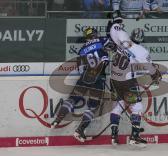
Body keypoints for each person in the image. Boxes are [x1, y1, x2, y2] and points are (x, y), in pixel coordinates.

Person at [107, 11, 161, 146]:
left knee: (117, 106)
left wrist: (117, 21)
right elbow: (150, 67)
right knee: (136, 107)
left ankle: (114, 136)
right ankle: (134, 136)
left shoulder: (122, 40)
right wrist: (155, 74)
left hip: (113, 80)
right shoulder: (142, 51)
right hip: (126, 82)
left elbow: (114, 28)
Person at [51, 27, 110, 142]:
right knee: (93, 106)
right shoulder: (101, 40)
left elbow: (80, 68)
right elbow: (112, 47)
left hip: (84, 78)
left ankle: (57, 119)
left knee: (73, 99)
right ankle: (80, 130)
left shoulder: (82, 50)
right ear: (94, 35)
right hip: (98, 79)